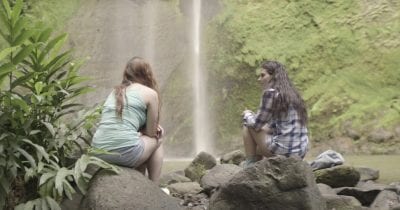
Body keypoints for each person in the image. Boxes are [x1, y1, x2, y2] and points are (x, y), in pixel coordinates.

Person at [91, 56, 164, 183]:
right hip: (125, 152)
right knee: (157, 139)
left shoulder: (115, 92)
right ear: (146, 73)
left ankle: (137, 185)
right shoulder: (150, 93)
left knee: (139, 141)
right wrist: (151, 132)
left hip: (98, 152)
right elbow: (152, 133)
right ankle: (155, 187)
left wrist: (140, 133)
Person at [242, 60, 309, 167]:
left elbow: (256, 125)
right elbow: (275, 127)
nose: (259, 79)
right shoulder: (293, 94)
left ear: (273, 76)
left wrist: (247, 114)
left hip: (284, 152)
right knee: (259, 147)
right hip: (300, 153)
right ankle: (258, 166)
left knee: (247, 125)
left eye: (262, 75)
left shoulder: (270, 93)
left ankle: (249, 166)